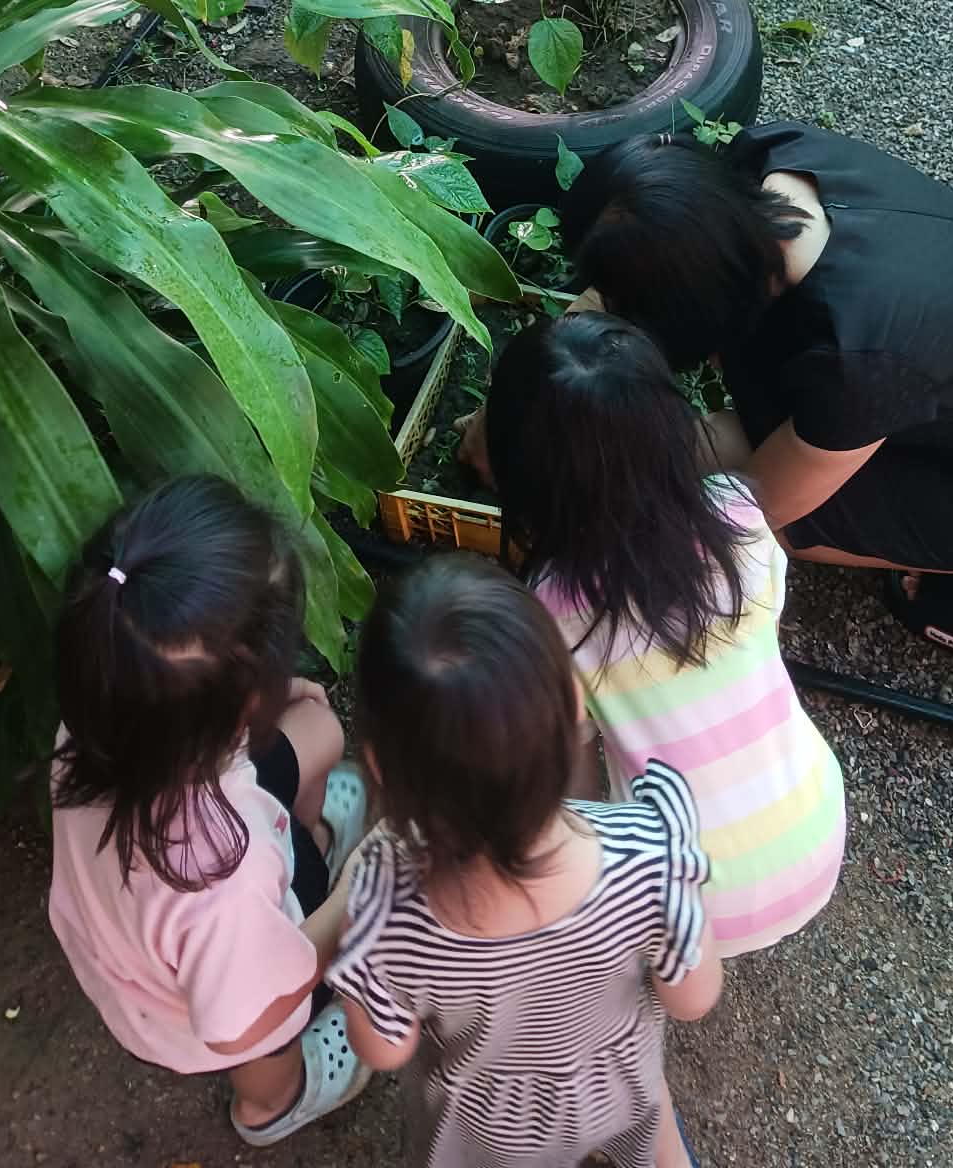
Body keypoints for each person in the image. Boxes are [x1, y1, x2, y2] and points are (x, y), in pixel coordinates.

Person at [547, 125, 953, 686]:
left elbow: (759, 506)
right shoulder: (771, 159)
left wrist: (606, 499)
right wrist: (556, 373)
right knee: (738, 435)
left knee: (766, 511)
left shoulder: (862, 354)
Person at [331, 554, 722, 1168]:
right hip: (618, 1092)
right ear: (574, 704)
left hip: (485, 1131)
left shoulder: (389, 913)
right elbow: (693, 999)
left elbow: (384, 1050)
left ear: (381, 767)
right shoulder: (652, 852)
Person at [485, 312, 845, 958]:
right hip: (817, 833)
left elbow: (574, 777)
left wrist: (580, 880)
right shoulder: (737, 511)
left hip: (690, 911)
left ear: (523, 471)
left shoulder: (552, 606)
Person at [49, 476, 371, 1149]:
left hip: (138, 925)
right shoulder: (220, 876)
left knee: (320, 730)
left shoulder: (96, 724)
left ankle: (310, 841)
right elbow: (243, 1023)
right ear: (243, 705)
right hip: (207, 1009)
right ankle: (272, 1103)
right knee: (267, 1043)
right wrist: (349, 905)